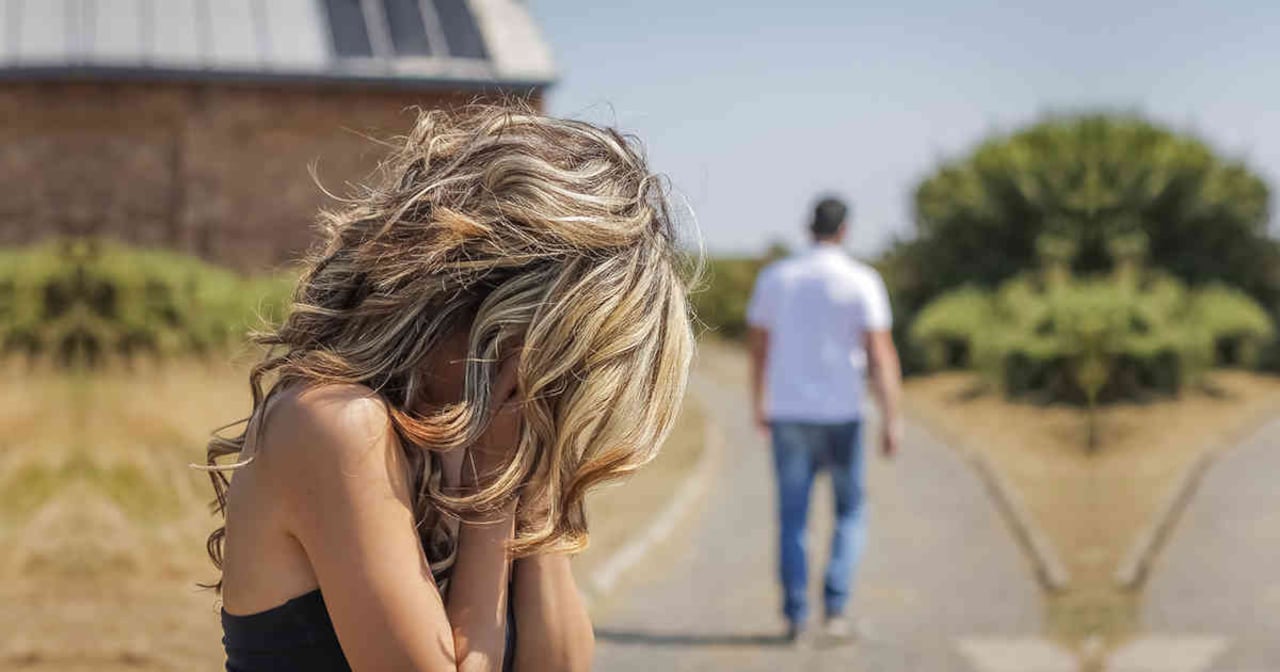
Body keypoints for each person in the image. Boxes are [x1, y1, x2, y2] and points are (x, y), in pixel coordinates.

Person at [198, 105, 696, 672]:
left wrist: (526, 476)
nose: (554, 385)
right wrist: (488, 498)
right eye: (558, 354)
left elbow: (559, 663)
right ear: (488, 307)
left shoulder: (493, 430)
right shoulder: (335, 424)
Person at [745, 196, 902, 644]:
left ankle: (796, 617)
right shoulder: (863, 280)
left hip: (789, 412)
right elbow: (881, 355)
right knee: (850, 512)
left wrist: (758, 403)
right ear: (845, 230)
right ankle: (835, 610)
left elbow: (758, 349)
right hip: (844, 415)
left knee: (793, 517)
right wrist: (892, 418)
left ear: (808, 227)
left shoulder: (776, 278)